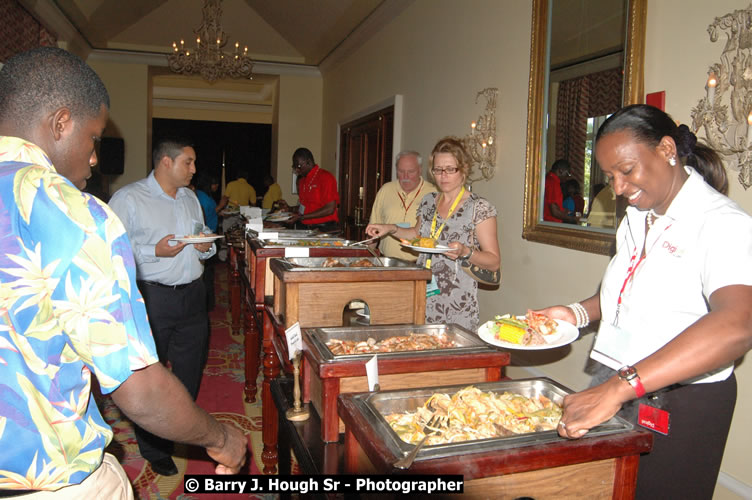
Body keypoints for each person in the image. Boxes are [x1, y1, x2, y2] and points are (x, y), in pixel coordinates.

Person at [0, 47, 245, 497]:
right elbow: (140, 388)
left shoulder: (190, 199)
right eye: (94, 138)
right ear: (60, 123)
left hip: (191, 295)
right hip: (47, 477)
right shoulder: (77, 211)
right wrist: (223, 437)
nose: (94, 159)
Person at [537, 104, 752, 499]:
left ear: (667, 149)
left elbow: (739, 324)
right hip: (622, 377)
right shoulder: (639, 215)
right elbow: (629, 291)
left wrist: (619, 388)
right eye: (609, 176)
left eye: (626, 171)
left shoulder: (721, 222)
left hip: (683, 399)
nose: (616, 188)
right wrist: (578, 312)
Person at [109, 137, 218, 477]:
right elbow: (112, 251)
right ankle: (154, 449)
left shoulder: (190, 199)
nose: (194, 169)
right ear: (166, 162)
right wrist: (153, 251)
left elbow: (202, 238)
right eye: (189, 162)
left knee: (188, 370)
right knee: (149, 376)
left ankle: (180, 429)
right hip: (151, 297)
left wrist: (205, 249)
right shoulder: (128, 199)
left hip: (193, 296)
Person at [366, 137, 500, 331]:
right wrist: (391, 228)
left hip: (458, 301)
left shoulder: (479, 207)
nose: (443, 176)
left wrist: (465, 252)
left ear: (463, 169)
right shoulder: (429, 201)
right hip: (424, 292)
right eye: (438, 170)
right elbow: (416, 234)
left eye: (450, 169)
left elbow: (494, 261)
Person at [369, 150, 437, 260]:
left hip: (420, 264)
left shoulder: (433, 193)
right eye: (401, 171)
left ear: (420, 170)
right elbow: (374, 231)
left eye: (411, 171)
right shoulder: (385, 190)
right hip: (387, 262)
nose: (405, 176)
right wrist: (365, 256)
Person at [278, 147, 339, 232]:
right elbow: (306, 207)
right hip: (305, 228)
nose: (297, 170)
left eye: (299, 166)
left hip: (324, 229)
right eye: (294, 167)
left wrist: (302, 217)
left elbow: (330, 209)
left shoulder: (326, 177)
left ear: (309, 162)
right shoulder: (302, 181)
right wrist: (290, 209)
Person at [195, 172, 220, 310]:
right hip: (205, 237)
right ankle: (207, 303)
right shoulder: (202, 197)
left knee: (208, 272)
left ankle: (208, 302)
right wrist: (221, 206)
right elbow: (203, 218)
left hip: (208, 235)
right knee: (207, 272)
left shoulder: (201, 195)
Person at [543, 159, 578, 223]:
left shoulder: (548, 179)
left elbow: (551, 205)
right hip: (551, 223)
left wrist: (563, 210)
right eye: (568, 174)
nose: (567, 177)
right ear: (560, 171)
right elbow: (555, 212)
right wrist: (572, 219)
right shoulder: (553, 182)